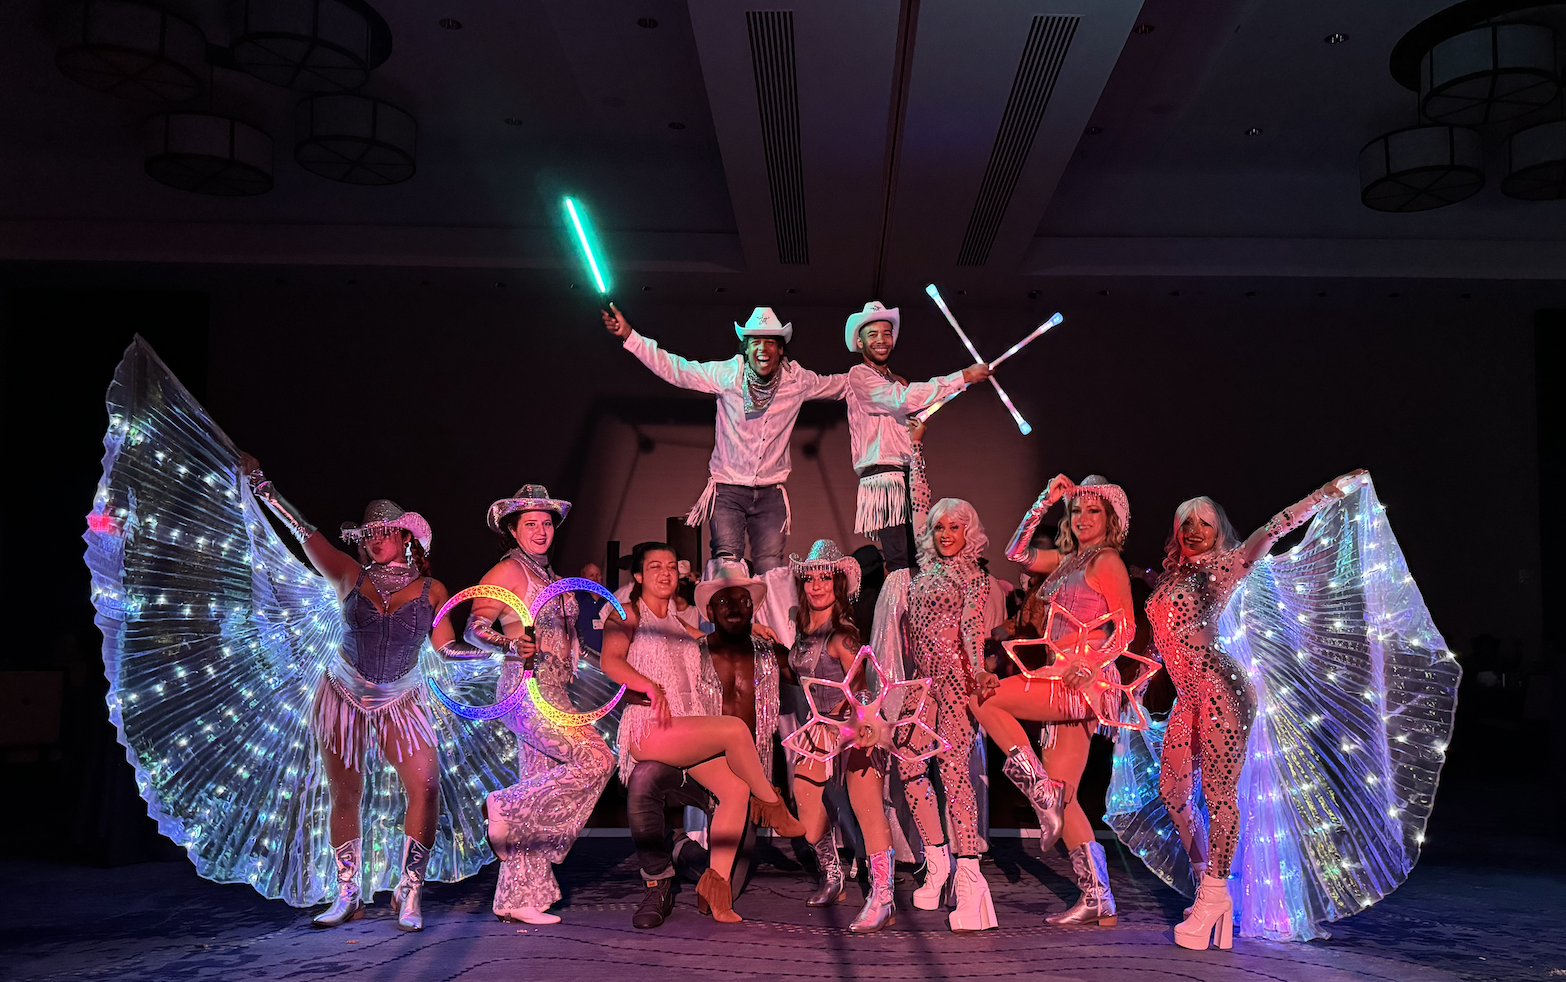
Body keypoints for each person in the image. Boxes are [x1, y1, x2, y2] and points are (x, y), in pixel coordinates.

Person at [241, 456, 463, 933]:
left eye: (385, 531)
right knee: (345, 792)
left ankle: (410, 888)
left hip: (402, 696)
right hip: (343, 693)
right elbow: (305, 532)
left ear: (405, 535)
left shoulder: (432, 588)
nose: (375, 539)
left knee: (425, 786)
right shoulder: (349, 572)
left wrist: (502, 650)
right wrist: (263, 485)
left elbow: (447, 648)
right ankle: (348, 891)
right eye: (368, 534)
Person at [602, 543, 806, 923]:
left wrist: (753, 628)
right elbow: (610, 661)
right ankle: (773, 807)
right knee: (734, 730)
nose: (665, 573)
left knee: (736, 790)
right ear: (639, 576)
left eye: (671, 566)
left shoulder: (681, 625)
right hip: (650, 727)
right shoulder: (627, 614)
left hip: (683, 731)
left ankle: (716, 891)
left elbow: (721, 637)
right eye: (655, 567)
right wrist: (648, 686)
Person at [971, 474, 1136, 927]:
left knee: (984, 699)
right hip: (1058, 675)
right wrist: (1043, 502)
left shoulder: (1106, 561)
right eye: (1077, 510)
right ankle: (1098, 897)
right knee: (1067, 800)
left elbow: (1125, 628)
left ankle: (1039, 788)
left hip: (1079, 683)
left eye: (1093, 511)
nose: (1082, 518)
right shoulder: (1067, 561)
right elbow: (1016, 553)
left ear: (1110, 519)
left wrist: (1094, 663)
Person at [462, 486, 615, 925]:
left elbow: (565, 636)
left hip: (556, 692)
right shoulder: (509, 570)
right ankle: (504, 805)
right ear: (513, 530)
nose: (541, 530)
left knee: (540, 786)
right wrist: (510, 644)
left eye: (546, 523)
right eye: (531, 523)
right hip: (526, 689)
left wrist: (583, 650)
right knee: (597, 758)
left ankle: (518, 899)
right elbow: (474, 628)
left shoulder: (551, 577)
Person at [603, 304, 847, 572]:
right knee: (728, 565)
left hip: (771, 492)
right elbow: (677, 370)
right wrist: (630, 335)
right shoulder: (728, 375)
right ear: (746, 348)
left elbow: (839, 385)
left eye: (770, 342)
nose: (762, 349)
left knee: (771, 568)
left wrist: (875, 374)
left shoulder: (796, 381)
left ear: (780, 350)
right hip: (728, 490)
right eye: (755, 342)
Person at [877, 421, 998, 932]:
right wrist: (916, 449)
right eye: (941, 527)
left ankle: (970, 880)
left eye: (956, 527)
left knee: (954, 776)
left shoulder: (975, 577)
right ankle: (938, 858)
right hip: (921, 684)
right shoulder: (924, 571)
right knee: (908, 765)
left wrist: (979, 675)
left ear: (970, 533)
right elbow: (918, 503)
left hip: (954, 683)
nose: (946, 534)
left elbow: (971, 631)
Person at [784, 540, 899, 933]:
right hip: (817, 729)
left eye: (825, 578)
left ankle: (883, 897)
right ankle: (832, 876)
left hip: (854, 726)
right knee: (807, 813)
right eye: (810, 579)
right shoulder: (803, 630)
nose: (817, 586)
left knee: (867, 808)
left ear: (838, 584)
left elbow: (863, 688)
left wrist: (862, 725)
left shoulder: (843, 634)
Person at [843, 301, 989, 572]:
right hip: (884, 479)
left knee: (920, 556)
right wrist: (964, 376)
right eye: (873, 334)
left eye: (886, 333)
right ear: (860, 342)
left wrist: (915, 437)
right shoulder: (860, 375)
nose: (881, 340)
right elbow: (902, 399)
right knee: (899, 560)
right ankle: (900, 601)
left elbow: (905, 404)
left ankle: (918, 599)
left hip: (908, 474)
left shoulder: (895, 380)